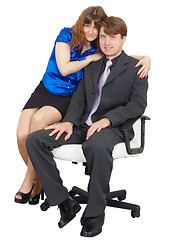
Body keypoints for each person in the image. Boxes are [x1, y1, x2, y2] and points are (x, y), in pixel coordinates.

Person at [25, 16, 148, 237]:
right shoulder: (91, 64)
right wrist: (69, 122)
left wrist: (107, 120)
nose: (107, 42)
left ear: (123, 39)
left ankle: (95, 213)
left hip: (112, 128)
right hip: (82, 125)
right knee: (35, 140)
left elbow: (138, 105)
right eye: (103, 37)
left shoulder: (135, 67)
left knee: (96, 145)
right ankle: (63, 201)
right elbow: (79, 98)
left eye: (113, 38)